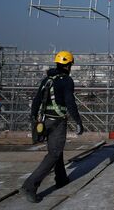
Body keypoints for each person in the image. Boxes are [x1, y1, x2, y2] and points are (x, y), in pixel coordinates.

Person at [20, 51, 84, 203]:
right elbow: (70, 102)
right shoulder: (67, 81)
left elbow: (36, 100)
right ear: (68, 65)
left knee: (56, 149)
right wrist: (78, 121)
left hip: (43, 121)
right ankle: (29, 186)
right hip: (57, 122)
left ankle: (61, 178)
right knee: (54, 154)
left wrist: (33, 118)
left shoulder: (47, 79)